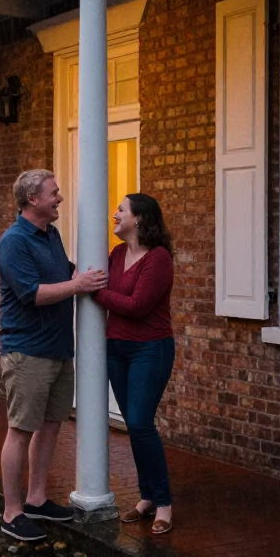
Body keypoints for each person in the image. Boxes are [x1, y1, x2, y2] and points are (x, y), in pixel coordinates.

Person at [0, 168, 107, 542]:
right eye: (53, 193)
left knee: (52, 425)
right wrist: (77, 286)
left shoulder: (51, 235)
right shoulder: (13, 243)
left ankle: (37, 499)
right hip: (26, 351)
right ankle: (12, 512)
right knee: (21, 430)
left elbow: (65, 273)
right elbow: (32, 294)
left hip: (59, 349)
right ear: (32, 200)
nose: (59, 198)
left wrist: (91, 276)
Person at [93, 193, 176, 534]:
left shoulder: (158, 259)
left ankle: (165, 504)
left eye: (121, 210)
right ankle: (146, 497)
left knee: (142, 423)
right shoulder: (116, 254)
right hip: (117, 349)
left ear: (139, 218)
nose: (115, 214)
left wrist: (93, 292)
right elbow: (114, 295)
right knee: (134, 426)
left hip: (150, 349)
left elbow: (137, 305)